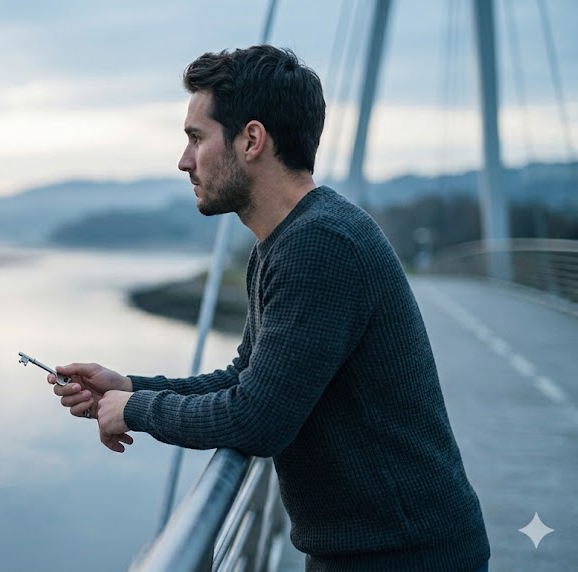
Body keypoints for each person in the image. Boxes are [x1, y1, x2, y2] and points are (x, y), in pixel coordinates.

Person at [48, 45, 490, 571]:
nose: (184, 160)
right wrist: (133, 387)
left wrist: (137, 411)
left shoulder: (320, 245)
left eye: (196, 138)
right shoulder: (286, 241)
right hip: (369, 548)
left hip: (404, 555)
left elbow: (257, 419)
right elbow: (246, 378)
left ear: (251, 140)